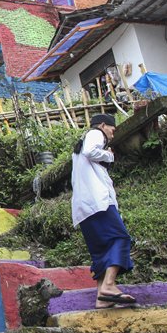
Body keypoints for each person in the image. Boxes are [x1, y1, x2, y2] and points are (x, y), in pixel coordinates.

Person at [70, 113, 136, 309]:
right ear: (103, 125)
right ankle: (108, 285)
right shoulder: (95, 133)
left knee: (101, 251)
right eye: (112, 130)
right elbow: (92, 151)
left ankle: (101, 298)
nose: (112, 135)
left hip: (84, 208)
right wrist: (110, 155)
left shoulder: (79, 150)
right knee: (120, 238)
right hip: (98, 202)